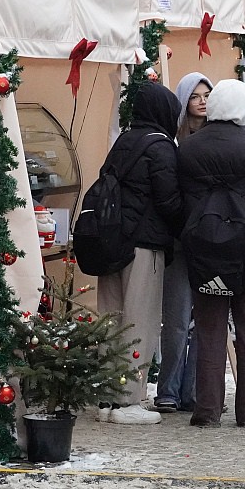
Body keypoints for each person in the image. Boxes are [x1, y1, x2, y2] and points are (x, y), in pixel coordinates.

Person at [177, 80, 245, 428]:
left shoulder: (189, 148)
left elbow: (179, 192)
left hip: (205, 242)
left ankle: (207, 410)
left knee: (210, 327)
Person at [95, 82, 184, 425]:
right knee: (139, 320)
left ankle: (106, 397)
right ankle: (129, 400)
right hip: (143, 246)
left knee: (111, 319)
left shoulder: (123, 142)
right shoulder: (161, 148)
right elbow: (168, 202)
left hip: (111, 243)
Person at [154, 73, 212, 414]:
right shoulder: (170, 144)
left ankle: (192, 390)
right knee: (176, 320)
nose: (202, 101)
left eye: (207, 95)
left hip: (206, 241)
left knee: (203, 320)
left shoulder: (215, 139)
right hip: (178, 240)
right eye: (195, 96)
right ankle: (168, 389)